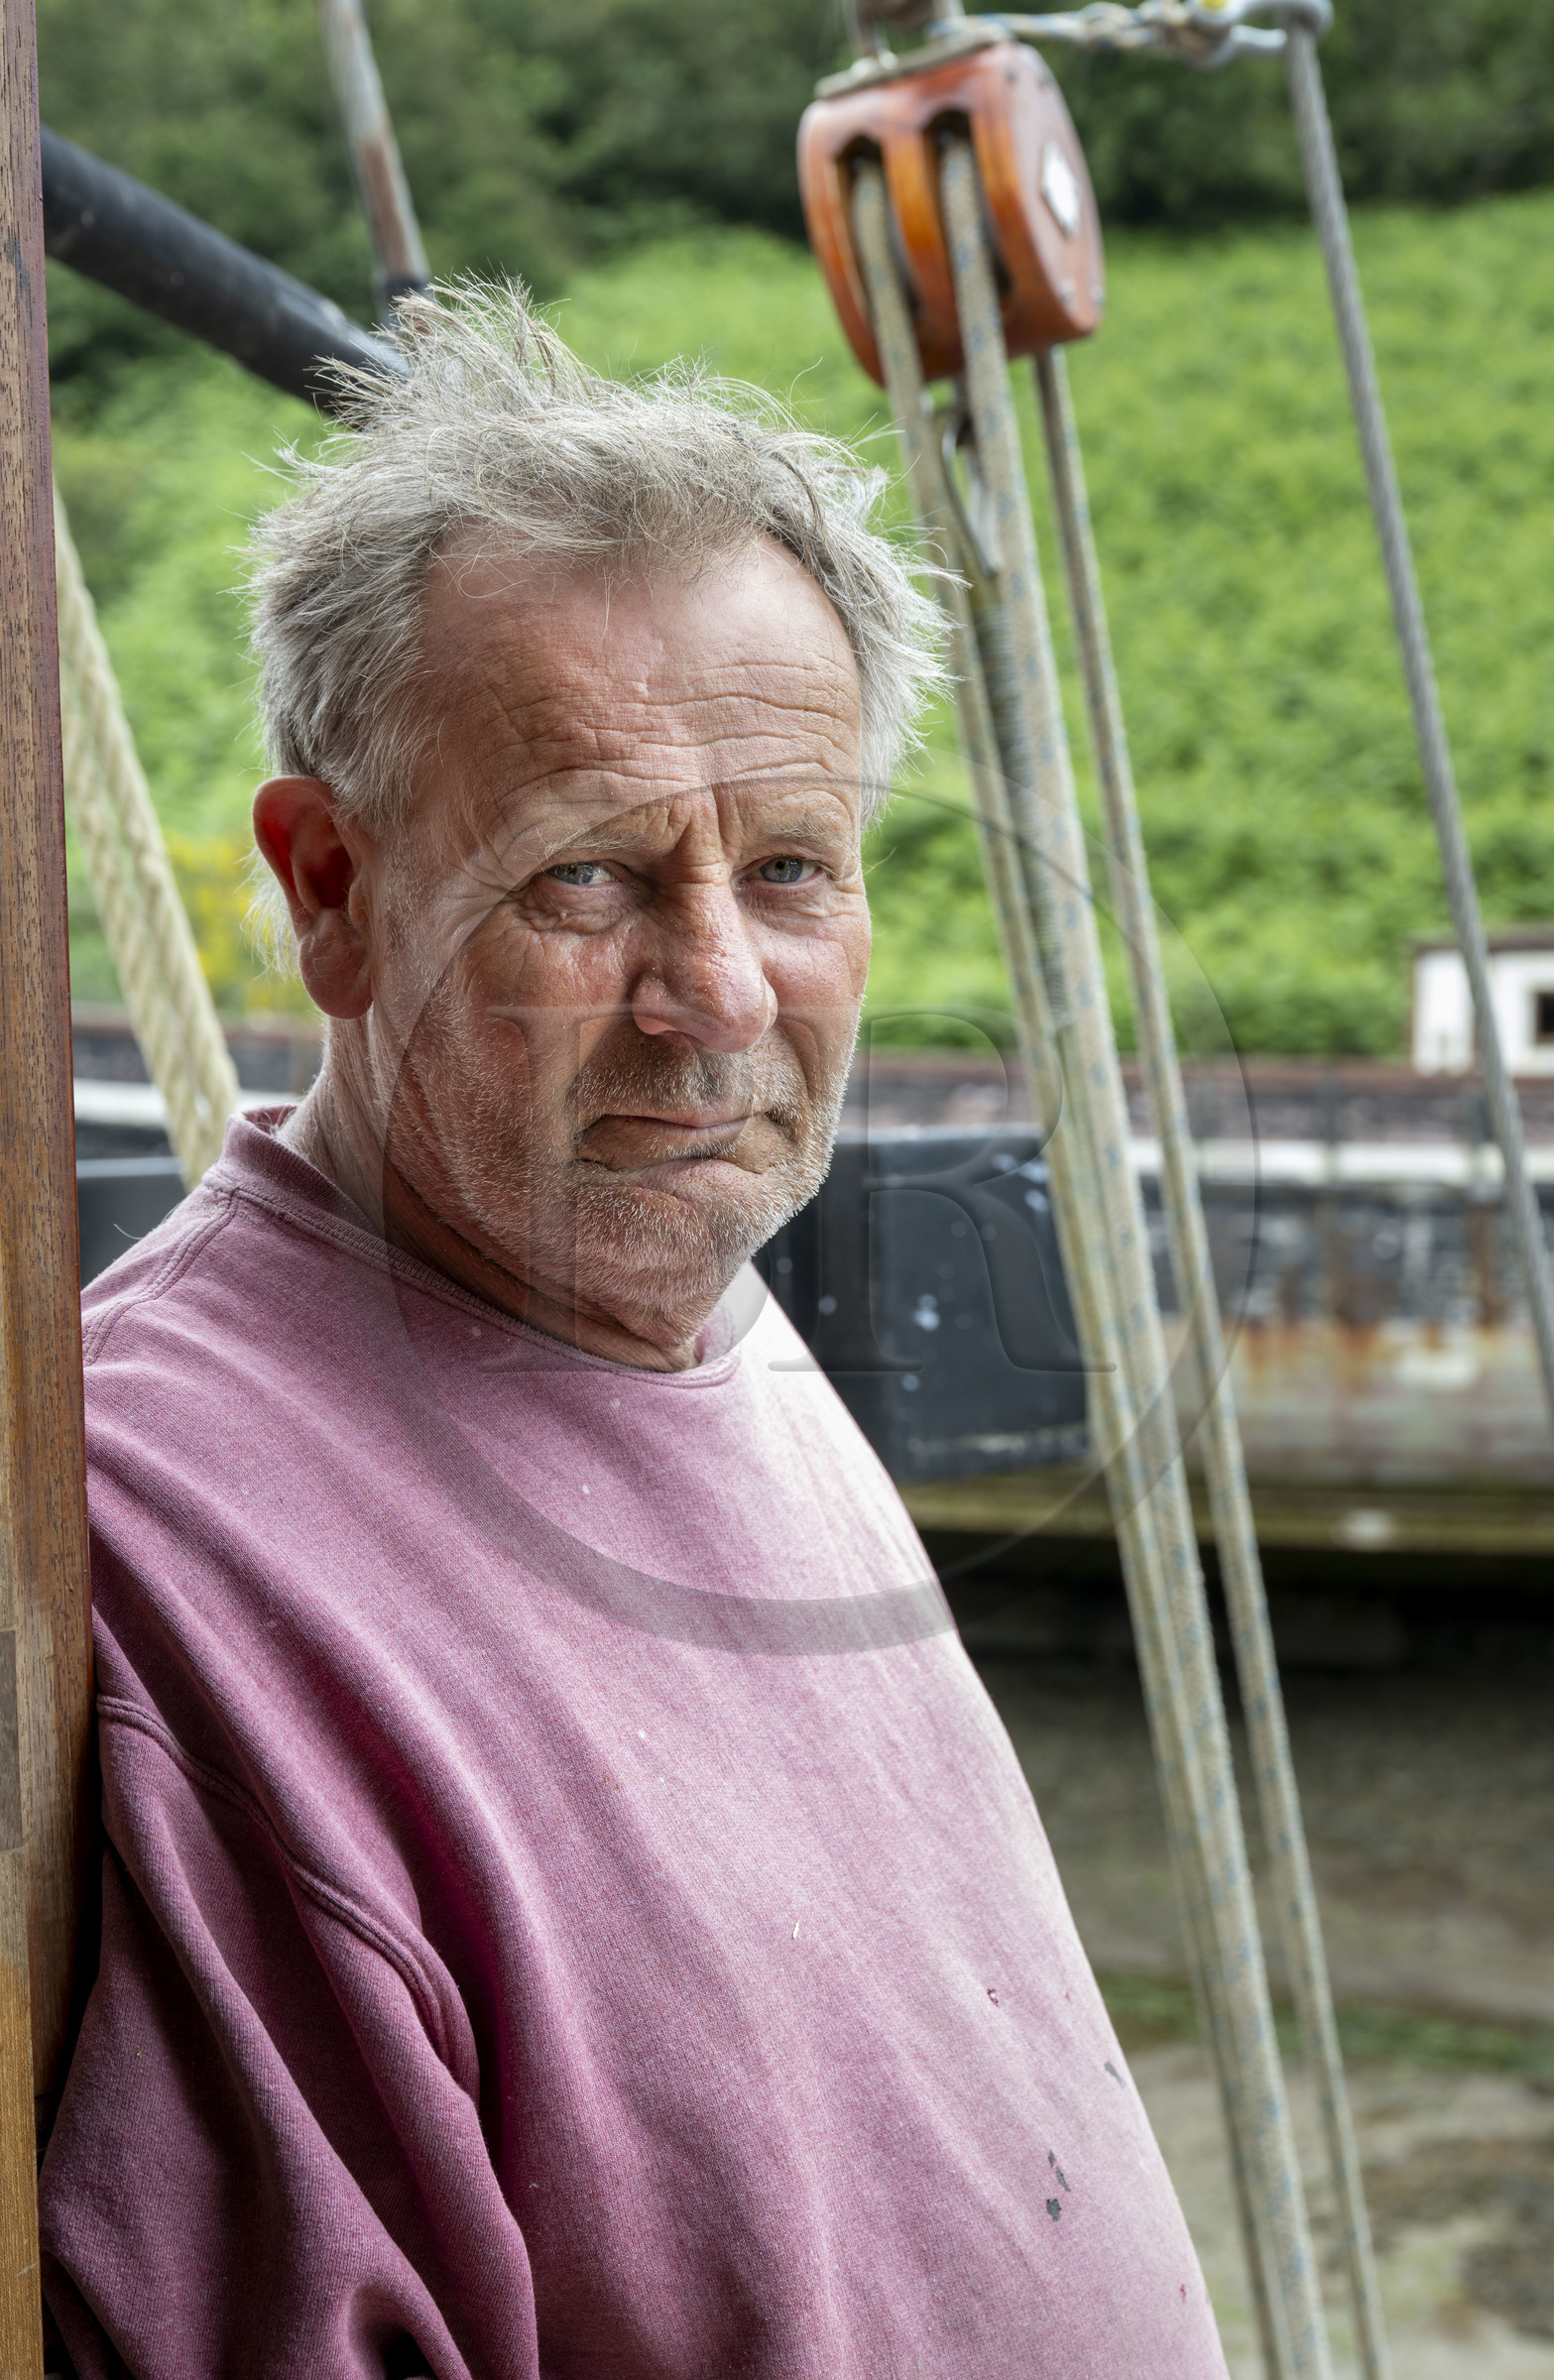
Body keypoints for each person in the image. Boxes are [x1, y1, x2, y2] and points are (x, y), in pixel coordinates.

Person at [40, 286, 1227, 2379]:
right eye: (590, 880)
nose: (721, 997)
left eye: (787, 869)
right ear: (327, 888)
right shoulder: (155, 1568)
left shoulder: (703, 1325)